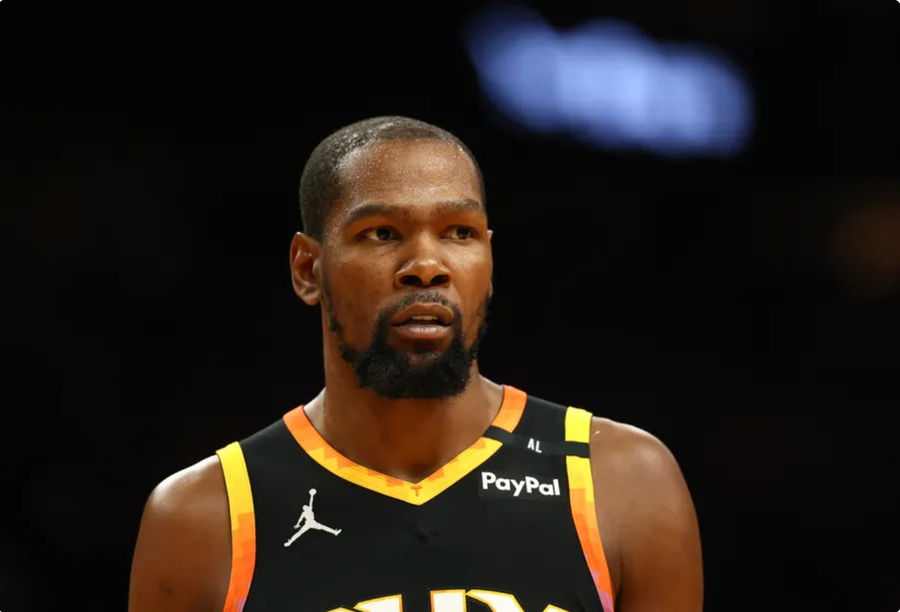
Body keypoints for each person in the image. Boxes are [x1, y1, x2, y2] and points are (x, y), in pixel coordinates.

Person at [128, 116, 703, 612]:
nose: (427, 265)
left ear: (490, 258)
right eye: (382, 233)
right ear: (308, 270)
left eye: (460, 232)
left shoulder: (623, 481)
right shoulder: (203, 518)